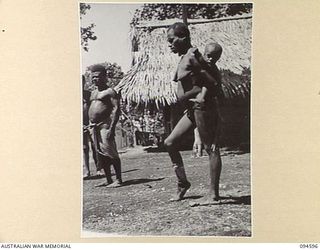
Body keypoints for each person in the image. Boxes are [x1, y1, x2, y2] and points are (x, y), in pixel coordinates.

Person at [164, 22, 222, 203]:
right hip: (191, 110)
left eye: (172, 40)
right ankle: (183, 183)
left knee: (211, 148)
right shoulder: (184, 56)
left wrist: (202, 98)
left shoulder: (194, 56)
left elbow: (213, 81)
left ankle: (213, 195)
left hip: (202, 108)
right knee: (169, 142)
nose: (170, 44)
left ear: (184, 37)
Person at [88, 64, 123, 187]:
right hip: (94, 127)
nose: (94, 79)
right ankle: (108, 179)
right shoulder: (93, 93)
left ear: (104, 77)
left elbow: (116, 109)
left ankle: (118, 179)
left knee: (111, 152)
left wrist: (112, 128)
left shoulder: (110, 92)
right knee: (101, 154)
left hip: (105, 125)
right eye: (92, 77)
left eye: (97, 77)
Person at [82, 75, 99, 178]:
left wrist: (91, 123)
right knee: (84, 148)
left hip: (91, 124)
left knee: (95, 146)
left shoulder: (89, 95)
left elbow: (94, 109)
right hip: (81, 125)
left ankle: (99, 168)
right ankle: (87, 170)